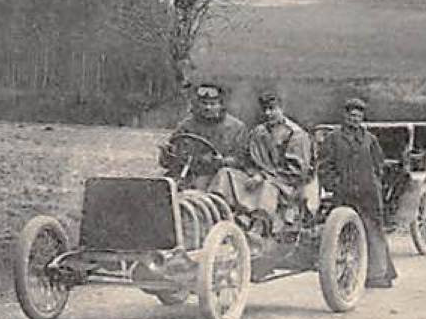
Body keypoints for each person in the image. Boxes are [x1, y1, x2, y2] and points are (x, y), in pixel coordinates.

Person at [209, 90, 315, 233]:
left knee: (267, 187)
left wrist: (263, 176)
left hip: (284, 185)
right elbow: (245, 158)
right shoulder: (259, 131)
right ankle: (219, 214)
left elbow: (296, 172)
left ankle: (259, 225)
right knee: (225, 174)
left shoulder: (296, 135)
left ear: (282, 109)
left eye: (272, 109)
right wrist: (227, 161)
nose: (268, 113)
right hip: (255, 178)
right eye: (265, 109)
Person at [320, 96, 395, 289]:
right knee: (346, 234)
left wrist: (374, 183)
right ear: (344, 116)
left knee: (374, 231)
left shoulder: (370, 140)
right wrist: (335, 185)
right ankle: (347, 275)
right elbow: (325, 167)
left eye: (358, 115)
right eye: (351, 115)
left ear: (362, 117)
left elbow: (379, 165)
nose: (354, 119)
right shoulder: (333, 139)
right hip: (344, 194)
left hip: (368, 194)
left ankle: (379, 275)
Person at [159, 82, 248, 189]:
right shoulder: (186, 126)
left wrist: (222, 161)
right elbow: (169, 160)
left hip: (219, 178)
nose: (208, 108)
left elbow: (243, 160)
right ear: (197, 104)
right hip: (188, 175)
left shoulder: (236, 128)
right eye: (204, 103)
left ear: (221, 105)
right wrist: (167, 154)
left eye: (213, 104)